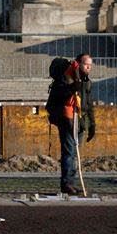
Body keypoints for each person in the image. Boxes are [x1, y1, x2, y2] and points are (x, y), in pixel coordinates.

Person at [46, 57, 82, 195]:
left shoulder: (67, 81)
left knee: (71, 153)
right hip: (65, 120)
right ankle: (67, 183)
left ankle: (69, 182)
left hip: (71, 119)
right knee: (69, 153)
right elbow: (63, 96)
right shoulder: (61, 84)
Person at [74, 53, 97, 146]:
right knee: (70, 152)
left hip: (80, 121)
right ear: (78, 64)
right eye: (86, 64)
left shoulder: (87, 82)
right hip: (70, 120)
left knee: (76, 150)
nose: (88, 67)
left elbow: (89, 104)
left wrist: (92, 124)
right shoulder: (70, 79)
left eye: (90, 65)